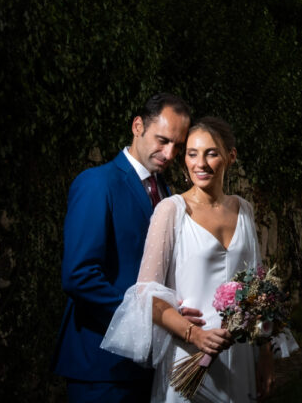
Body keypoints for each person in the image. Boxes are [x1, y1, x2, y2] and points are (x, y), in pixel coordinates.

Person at [102, 116, 295, 401]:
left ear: (231, 156)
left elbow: (259, 291)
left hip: (240, 357)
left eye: (211, 153)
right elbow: (145, 297)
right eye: (192, 154)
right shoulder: (170, 211)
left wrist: (265, 356)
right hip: (188, 356)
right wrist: (194, 335)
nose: (200, 164)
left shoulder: (245, 210)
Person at [54, 92, 201, 402]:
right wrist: (153, 316)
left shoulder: (165, 190)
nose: (170, 152)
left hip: (149, 363)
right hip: (101, 362)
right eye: (162, 140)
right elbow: (79, 275)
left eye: (177, 145)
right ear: (137, 126)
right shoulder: (97, 183)